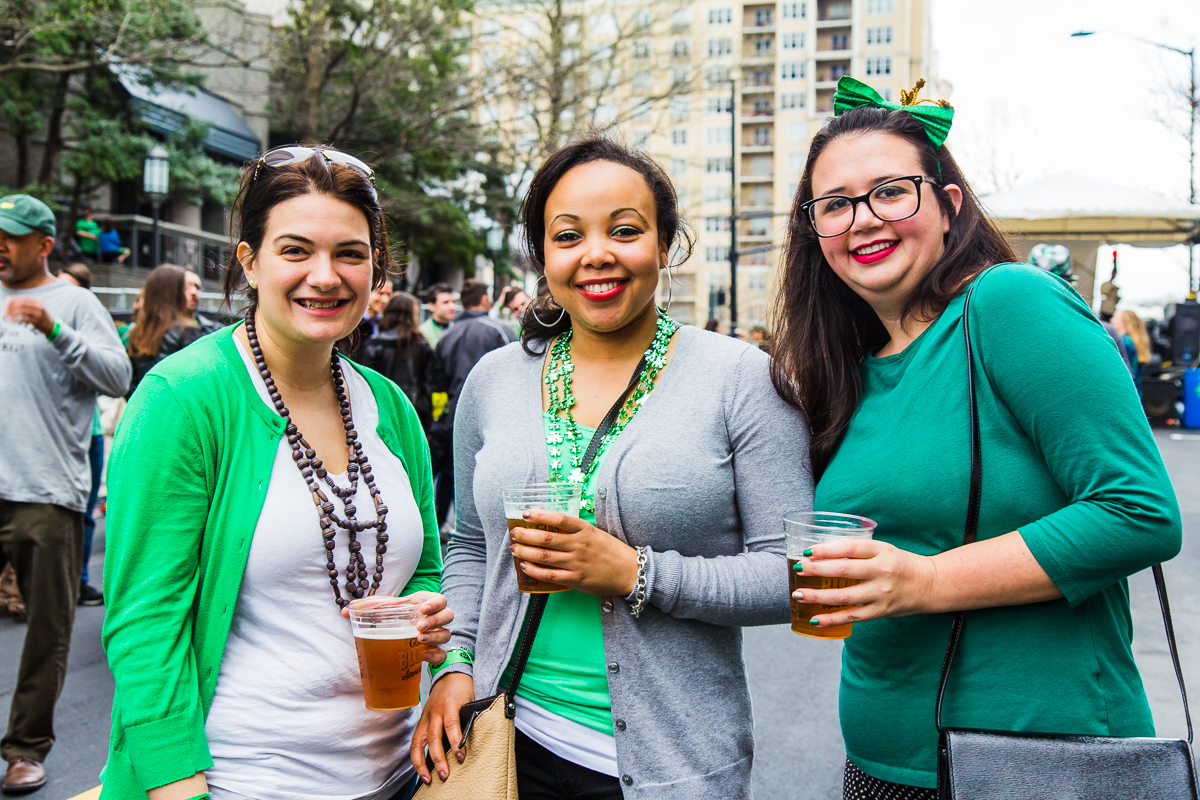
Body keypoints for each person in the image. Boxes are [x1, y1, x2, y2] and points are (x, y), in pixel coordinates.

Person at [770, 77, 1182, 799]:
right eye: (834, 205)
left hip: (1041, 760)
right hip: (879, 762)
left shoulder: (1008, 302)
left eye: (891, 192)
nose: (863, 219)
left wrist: (925, 581)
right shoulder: (846, 367)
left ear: (949, 205)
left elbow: (1139, 512)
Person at [412, 136, 812, 798]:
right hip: (504, 741)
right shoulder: (492, 380)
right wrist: (455, 664)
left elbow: (793, 575)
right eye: (568, 236)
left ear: (665, 244)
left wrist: (634, 573)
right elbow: (473, 547)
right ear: (544, 256)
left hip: (672, 766)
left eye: (624, 230)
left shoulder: (742, 379)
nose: (596, 253)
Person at [101, 146, 453, 800]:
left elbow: (427, 568)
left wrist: (431, 622)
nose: (325, 276)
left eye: (350, 253)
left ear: (375, 268)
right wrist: (179, 787)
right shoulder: (185, 399)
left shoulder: (389, 405)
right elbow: (144, 624)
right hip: (244, 778)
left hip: (401, 776)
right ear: (250, 261)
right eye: (296, 250)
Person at [0, 194, 131, 793]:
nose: (1, 245)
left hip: (46, 491)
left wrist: (55, 331)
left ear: (44, 244)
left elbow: (117, 376)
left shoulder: (76, 303)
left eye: (11, 235)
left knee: (46, 629)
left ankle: (25, 749)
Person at [431, 279, 514, 531]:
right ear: (484, 299)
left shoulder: (447, 335)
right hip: (495, 418)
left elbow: (437, 384)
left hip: (452, 417)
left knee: (453, 474)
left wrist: (439, 419)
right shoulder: (499, 329)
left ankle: (441, 527)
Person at [56, 263, 106, 606]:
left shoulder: (89, 324)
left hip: (88, 432)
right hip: (48, 436)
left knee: (83, 512)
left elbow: (113, 375)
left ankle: (79, 580)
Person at [357, 292, 438, 433]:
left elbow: (365, 386)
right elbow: (428, 386)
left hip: (379, 416)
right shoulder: (422, 346)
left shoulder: (374, 345)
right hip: (413, 415)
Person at [125, 264, 208, 398]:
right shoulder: (187, 331)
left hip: (147, 406)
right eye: (185, 287)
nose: (191, 292)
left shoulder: (136, 332)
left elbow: (129, 384)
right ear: (174, 292)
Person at [1113, 309, 1150, 393]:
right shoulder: (1133, 340)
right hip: (1135, 391)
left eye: (1115, 317)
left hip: (1125, 391)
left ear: (1123, 322)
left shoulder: (1124, 341)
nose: (1111, 320)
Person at [179, 266, 223, 334]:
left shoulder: (213, 329)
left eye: (197, 287)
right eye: (187, 286)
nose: (194, 292)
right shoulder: (165, 329)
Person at [418, 282, 456, 348]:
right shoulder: (422, 333)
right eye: (445, 302)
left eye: (454, 302)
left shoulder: (457, 330)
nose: (452, 307)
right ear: (431, 306)